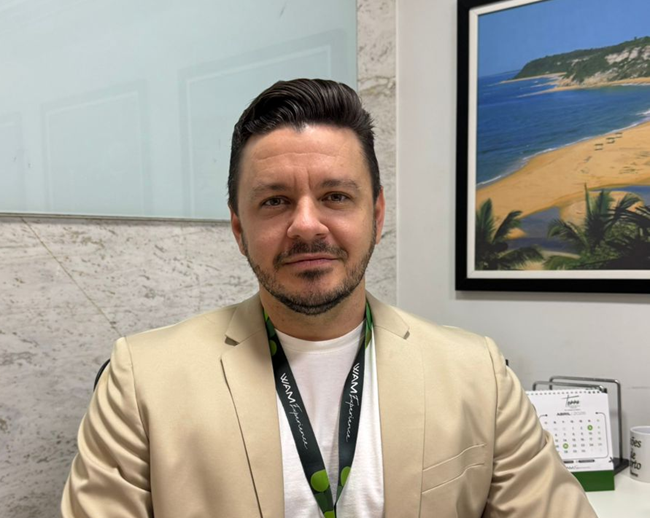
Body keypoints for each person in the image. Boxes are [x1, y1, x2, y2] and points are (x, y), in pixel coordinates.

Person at [61, 78, 597, 518]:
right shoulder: (140, 383)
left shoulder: (478, 374)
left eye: (335, 196)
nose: (306, 225)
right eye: (275, 201)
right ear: (239, 229)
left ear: (377, 216)